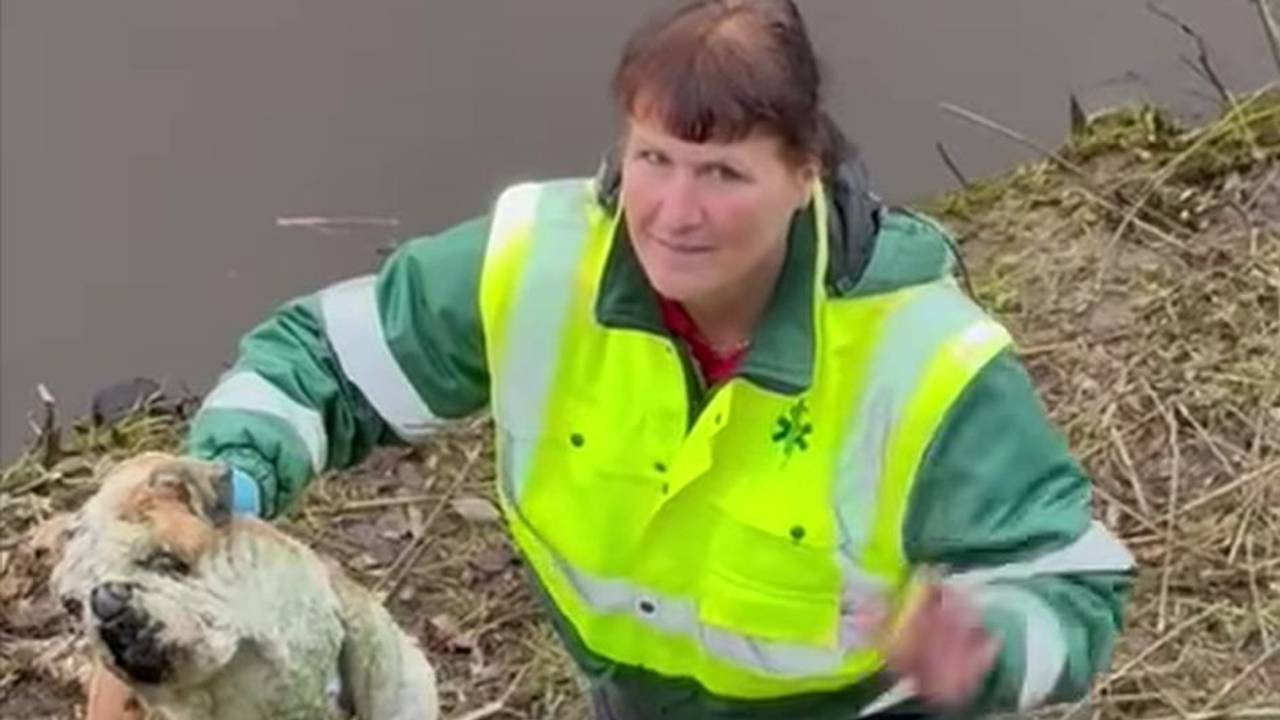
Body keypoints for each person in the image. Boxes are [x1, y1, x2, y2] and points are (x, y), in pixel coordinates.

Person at [90, 1, 1134, 717]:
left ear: (804, 173)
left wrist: (981, 647)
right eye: (653, 161)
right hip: (629, 694)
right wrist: (221, 483)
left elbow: (1069, 588)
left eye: (722, 173)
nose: (674, 215)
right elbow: (319, 361)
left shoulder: (926, 361)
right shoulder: (534, 265)